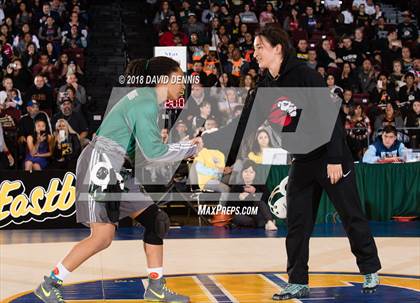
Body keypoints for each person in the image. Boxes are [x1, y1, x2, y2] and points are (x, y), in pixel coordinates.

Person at [201, 24, 381, 300]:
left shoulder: (305, 76)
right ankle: (297, 280)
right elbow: (244, 126)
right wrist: (212, 143)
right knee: (297, 223)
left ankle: (369, 269)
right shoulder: (264, 86)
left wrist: (334, 158)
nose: (255, 52)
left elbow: (331, 116)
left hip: (330, 156)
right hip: (303, 160)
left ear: (278, 49)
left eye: (260, 46)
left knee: (351, 215)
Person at [34, 57, 198, 303]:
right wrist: (188, 148)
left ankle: (155, 287)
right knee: (102, 237)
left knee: (157, 221)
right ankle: (49, 284)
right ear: (164, 79)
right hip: (100, 165)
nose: (183, 83)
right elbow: (152, 152)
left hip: (116, 167)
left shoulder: (145, 99)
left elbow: (137, 150)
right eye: (179, 78)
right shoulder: (146, 102)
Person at [228, 160, 277, 230]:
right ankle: (266, 222)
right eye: (245, 171)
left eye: (251, 172)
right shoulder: (237, 186)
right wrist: (239, 198)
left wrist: (255, 193)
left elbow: (266, 198)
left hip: (257, 213)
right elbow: (229, 205)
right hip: (244, 214)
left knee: (258, 199)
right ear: (242, 173)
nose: (248, 175)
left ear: (255, 174)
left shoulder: (259, 185)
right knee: (237, 218)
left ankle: (269, 222)